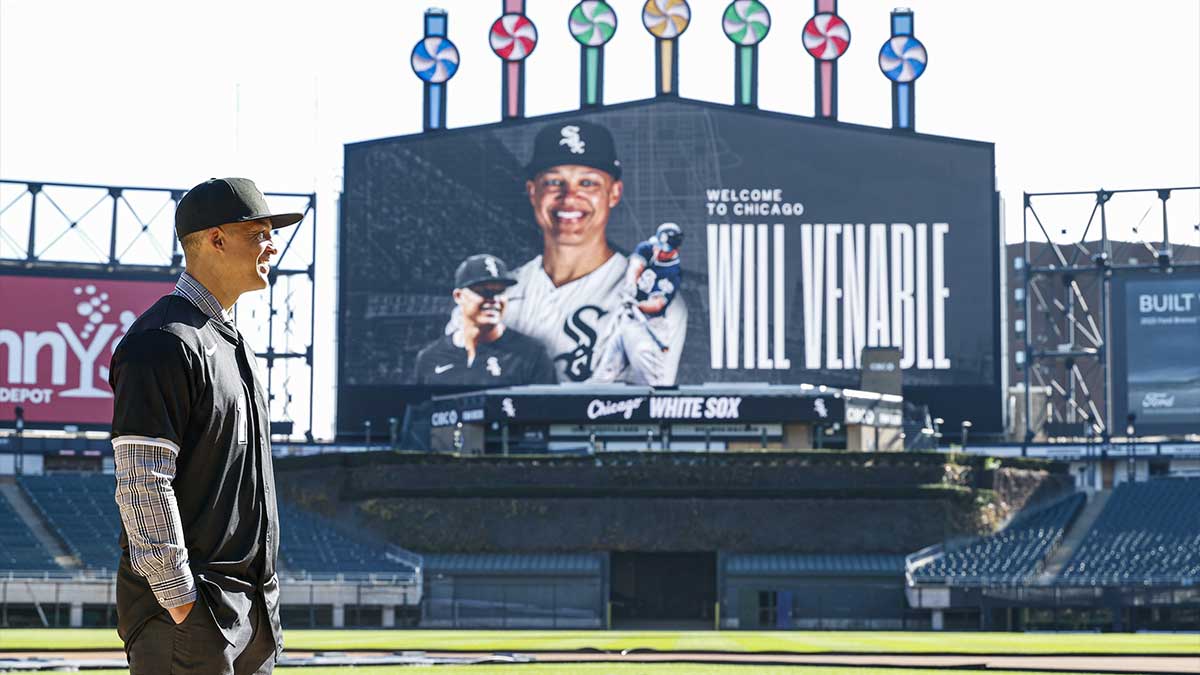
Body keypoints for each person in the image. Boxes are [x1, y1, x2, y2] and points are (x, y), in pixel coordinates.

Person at [110, 177, 298, 674]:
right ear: (216, 239)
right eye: (259, 233)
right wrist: (182, 603)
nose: (272, 245)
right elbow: (142, 480)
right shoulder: (161, 341)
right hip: (191, 621)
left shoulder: (235, 344)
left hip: (249, 611)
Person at [504, 120, 688, 383]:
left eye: (588, 183)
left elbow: (650, 402)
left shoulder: (660, 300)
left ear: (614, 193)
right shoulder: (496, 296)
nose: (569, 197)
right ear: (532, 191)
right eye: (555, 181)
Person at [415, 254, 555, 386]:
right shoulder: (430, 358)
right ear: (458, 296)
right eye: (483, 292)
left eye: (500, 292)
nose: (494, 300)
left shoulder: (532, 355)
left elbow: (549, 410)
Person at [593, 222, 686, 385]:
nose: (659, 251)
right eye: (659, 246)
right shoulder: (648, 248)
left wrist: (638, 305)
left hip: (649, 326)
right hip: (628, 320)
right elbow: (636, 266)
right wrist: (630, 286)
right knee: (605, 372)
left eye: (664, 249)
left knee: (649, 381)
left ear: (675, 249)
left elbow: (657, 304)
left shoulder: (673, 273)